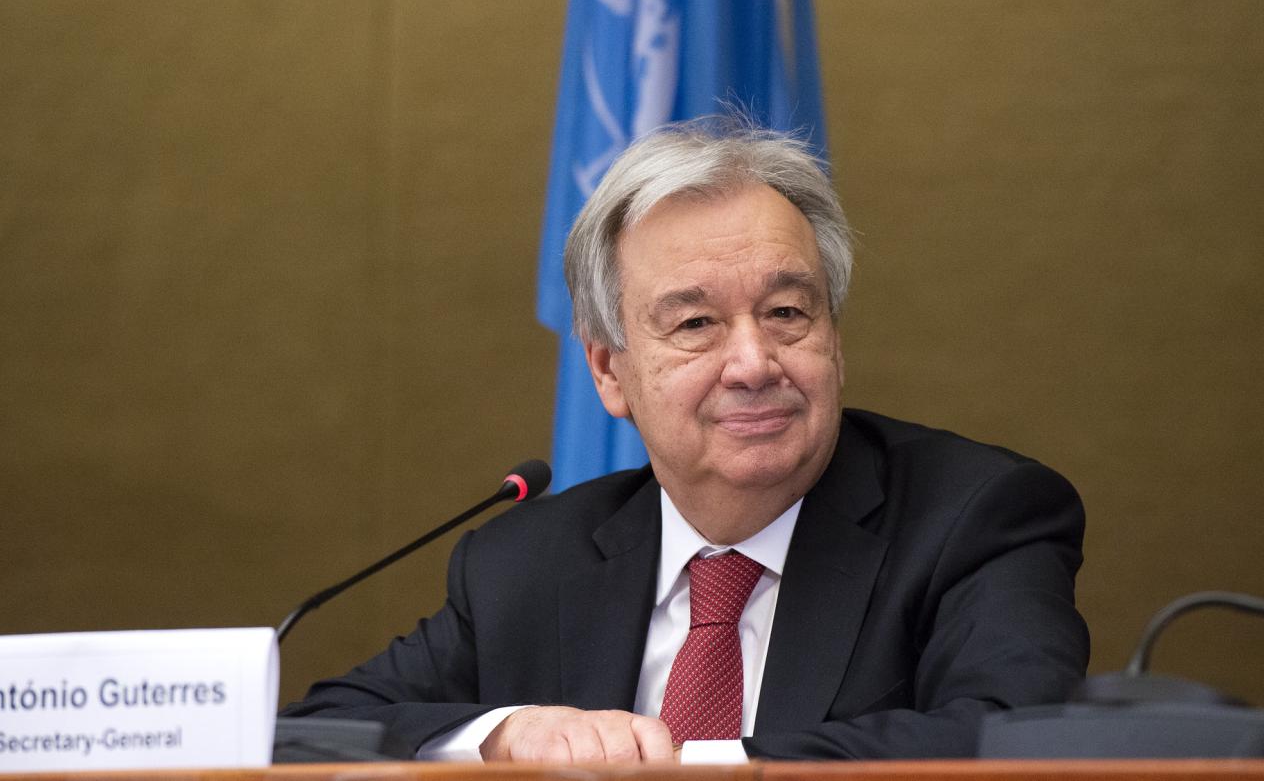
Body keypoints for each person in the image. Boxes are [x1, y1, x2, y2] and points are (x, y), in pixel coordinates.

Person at [282, 118, 1089, 763]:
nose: (753, 363)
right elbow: (306, 736)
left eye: (787, 313)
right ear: (609, 371)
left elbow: (1020, 740)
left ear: (835, 341)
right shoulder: (526, 564)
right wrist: (503, 735)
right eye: (696, 324)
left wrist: (696, 767)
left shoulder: (975, 519)